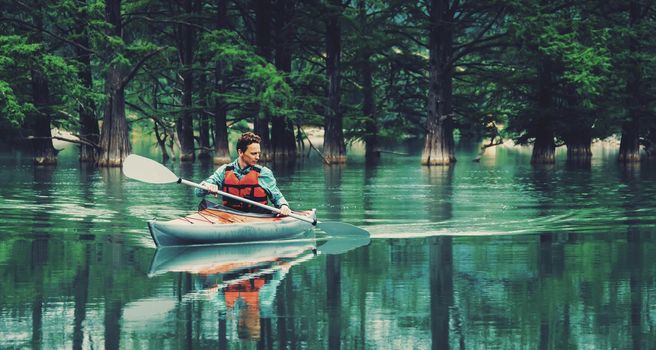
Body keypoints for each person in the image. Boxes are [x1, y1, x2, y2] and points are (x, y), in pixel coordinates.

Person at [195, 132, 292, 216]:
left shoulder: (264, 173)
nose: (258, 157)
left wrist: (283, 206)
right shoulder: (224, 170)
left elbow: (277, 197)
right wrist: (207, 186)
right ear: (240, 152)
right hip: (231, 215)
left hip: (257, 216)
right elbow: (198, 192)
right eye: (253, 154)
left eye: (258, 153)